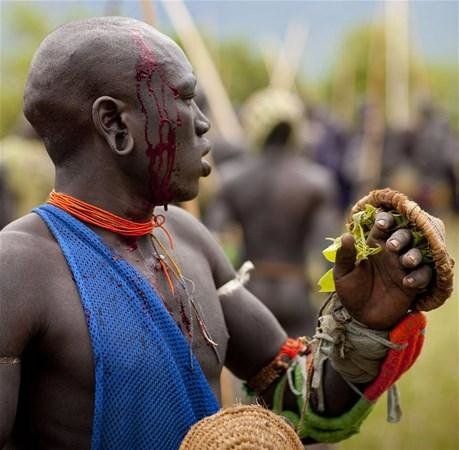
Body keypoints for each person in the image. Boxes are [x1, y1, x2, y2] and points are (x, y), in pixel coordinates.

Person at [0, 17, 436, 449]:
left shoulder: (186, 238)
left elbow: (301, 403)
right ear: (115, 124)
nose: (204, 123)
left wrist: (365, 322)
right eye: (186, 99)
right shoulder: (17, 267)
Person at [206, 89, 341, 337]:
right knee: (301, 370)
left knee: (252, 372)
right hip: (296, 292)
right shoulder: (316, 181)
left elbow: (214, 239)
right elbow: (329, 253)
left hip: (249, 294)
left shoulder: (233, 179)